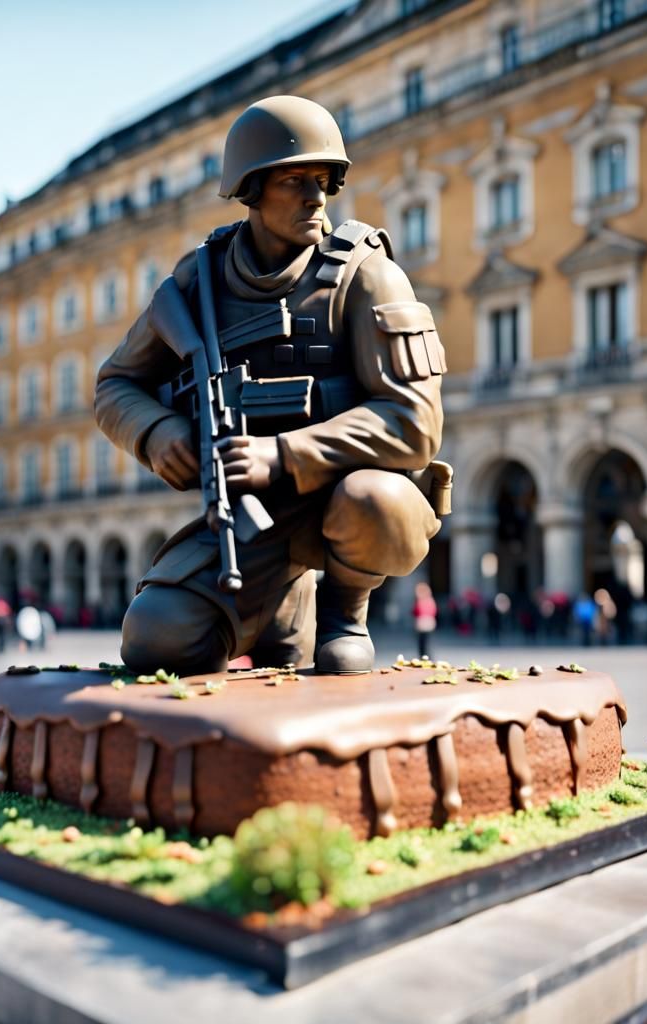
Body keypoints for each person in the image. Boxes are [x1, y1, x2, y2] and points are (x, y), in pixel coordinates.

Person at [96, 96, 450, 675]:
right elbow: (115, 385)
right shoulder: (198, 284)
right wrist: (159, 432)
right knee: (155, 638)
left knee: (376, 500)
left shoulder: (368, 276)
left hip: (345, 501)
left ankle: (343, 614)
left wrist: (281, 453)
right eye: (295, 181)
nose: (316, 197)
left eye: (324, 180)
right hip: (249, 514)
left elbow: (415, 422)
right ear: (252, 189)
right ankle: (283, 608)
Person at [412, 582, 438, 659]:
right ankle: (427, 657)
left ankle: (424, 657)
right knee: (427, 642)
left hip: (422, 623)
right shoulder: (430, 600)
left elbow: (416, 611)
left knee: (422, 643)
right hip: (430, 622)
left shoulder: (421, 601)